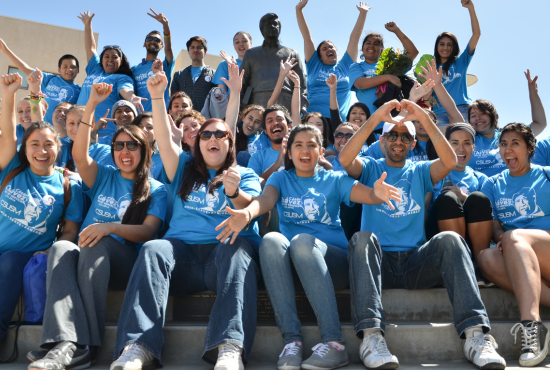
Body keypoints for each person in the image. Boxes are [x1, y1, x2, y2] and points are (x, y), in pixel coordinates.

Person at [111, 70, 262, 370]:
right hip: (182, 258)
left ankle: (229, 347)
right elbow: (165, 141)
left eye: (220, 135)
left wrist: (233, 193)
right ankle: (138, 347)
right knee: (153, 249)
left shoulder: (243, 174)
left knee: (238, 248)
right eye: (206, 134)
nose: (213, 138)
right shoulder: (181, 167)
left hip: (222, 257)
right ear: (197, 143)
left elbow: (251, 208)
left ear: (230, 144)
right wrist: (157, 96)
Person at [339, 99, 506, 370]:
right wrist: (377, 117)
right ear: (382, 140)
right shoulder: (370, 168)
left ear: (413, 144)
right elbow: (345, 158)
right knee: (361, 238)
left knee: (451, 240)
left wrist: (423, 117)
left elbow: (450, 160)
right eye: (392, 134)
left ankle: (475, 335)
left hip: (415, 263)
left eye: (405, 137)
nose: (398, 141)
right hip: (380, 263)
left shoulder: (419, 170)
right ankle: (371, 337)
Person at [226, 124, 400, 370]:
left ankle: (334, 342)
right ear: (289, 152)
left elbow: (368, 195)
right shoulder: (280, 178)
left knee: (302, 241)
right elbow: (265, 200)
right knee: (271, 240)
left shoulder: (334, 179)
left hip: (333, 265)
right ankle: (292, 341)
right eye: (298, 145)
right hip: (294, 269)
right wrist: (247, 212)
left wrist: (377, 194)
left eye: (311, 145)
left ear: (321, 152)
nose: (305, 150)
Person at [28, 82, 167, 370]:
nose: (125, 151)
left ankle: (87, 346)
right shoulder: (105, 175)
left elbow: (148, 232)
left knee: (94, 243)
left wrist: (110, 228)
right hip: (90, 256)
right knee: (62, 246)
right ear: (112, 149)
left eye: (133, 146)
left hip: (125, 263)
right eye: (119, 146)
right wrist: (90, 103)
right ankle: (64, 343)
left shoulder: (157, 189)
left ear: (145, 150)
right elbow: (80, 155)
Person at [0, 72, 83, 351]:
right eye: (34, 144)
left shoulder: (68, 183)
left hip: (22, 256)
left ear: (58, 148)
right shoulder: (11, 168)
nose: (42, 150)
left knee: (10, 261)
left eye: (49, 144)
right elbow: (10, 131)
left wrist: (52, 250)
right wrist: (10, 94)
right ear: (25, 148)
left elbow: (71, 230)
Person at [476, 123, 550, 367]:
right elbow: (496, 228)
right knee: (486, 257)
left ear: (530, 148)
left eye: (515, 143)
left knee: (515, 237)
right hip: (516, 252)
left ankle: (532, 326)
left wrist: (513, 239)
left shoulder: (547, 174)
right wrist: (503, 240)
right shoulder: (492, 183)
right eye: (503, 144)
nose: (507, 150)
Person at [296, 0, 371, 121]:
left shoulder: (346, 65)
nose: (329, 49)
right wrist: (299, 10)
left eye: (331, 47)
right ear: (319, 56)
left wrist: (363, 13)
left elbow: (355, 39)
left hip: (338, 121)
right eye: (324, 49)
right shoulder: (314, 65)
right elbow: (307, 37)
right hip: (313, 119)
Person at [425, 123, 492, 261]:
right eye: (455, 143)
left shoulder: (481, 178)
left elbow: (487, 214)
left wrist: (464, 198)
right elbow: (424, 210)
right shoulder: (431, 172)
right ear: (446, 146)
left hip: (472, 239)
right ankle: (457, 263)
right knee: (448, 199)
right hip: (439, 237)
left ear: (474, 147)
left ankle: (481, 264)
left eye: (467, 143)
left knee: (478, 198)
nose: (461, 148)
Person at [76, 11, 145, 136]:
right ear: (101, 60)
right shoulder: (95, 69)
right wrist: (87, 25)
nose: (110, 60)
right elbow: (91, 48)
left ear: (121, 60)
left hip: (103, 133)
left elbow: (125, 90)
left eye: (115, 57)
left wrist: (131, 97)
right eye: (106, 56)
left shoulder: (122, 78)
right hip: (79, 128)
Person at [469, 70, 546, 177]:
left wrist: (533, 92)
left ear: (493, 116)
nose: (478, 118)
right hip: (478, 192)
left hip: (508, 189)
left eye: (482, 113)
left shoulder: (508, 135)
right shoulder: (468, 139)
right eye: (473, 115)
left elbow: (540, 123)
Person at [348, 22, 419, 130]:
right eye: (368, 43)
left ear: (382, 49)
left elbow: (413, 52)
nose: (371, 46)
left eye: (376, 44)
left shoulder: (390, 64)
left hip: (392, 124)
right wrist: (389, 77)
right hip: (367, 125)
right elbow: (360, 84)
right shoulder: (356, 67)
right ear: (362, 48)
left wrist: (397, 30)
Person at [0, 38, 81, 124]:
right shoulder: (49, 78)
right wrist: (6, 50)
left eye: (73, 67)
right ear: (59, 70)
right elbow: (25, 68)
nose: (69, 69)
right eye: (65, 66)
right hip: (39, 125)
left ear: (78, 70)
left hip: (60, 132)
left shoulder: (79, 91)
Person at [240, 13, 307, 114]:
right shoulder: (251, 54)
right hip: (257, 102)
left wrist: (301, 108)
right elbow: (242, 83)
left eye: (275, 24)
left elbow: (302, 85)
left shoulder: (292, 53)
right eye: (268, 24)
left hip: (286, 102)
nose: (272, 26)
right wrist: (240, 108)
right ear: (262, 29)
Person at [431, 0, 480, 126]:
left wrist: (471, 9)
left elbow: (476, 35)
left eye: (449, 45)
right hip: (439, 113)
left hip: (462, 109)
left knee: (464, 144)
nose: (445, 48)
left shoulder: (461, 61)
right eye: (442, 44)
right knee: (442, 146)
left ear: (454, 47)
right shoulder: (432, 69)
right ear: (437, 47)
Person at [131, 9, 175, 112]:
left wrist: (165, 25)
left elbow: (169, 49)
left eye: (157, 40)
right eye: (149, 39)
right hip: (140, 118)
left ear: (162, 46)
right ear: (144, 44)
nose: (153, 41)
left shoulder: (164, 65)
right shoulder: (134, 69)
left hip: (161, 117)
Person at [57, 104, 114, 171]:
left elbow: (98, 180)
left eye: (81, 123)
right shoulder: (60, 147)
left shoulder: (103, 151)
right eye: (71, 123)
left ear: (92, 126)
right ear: (65, 125)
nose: (76, 129)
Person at [170, 36, 215, 112]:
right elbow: (173, 98)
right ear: (188, 51)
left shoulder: (214, 74)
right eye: (192, 47)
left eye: (199, 47)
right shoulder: (179, 74)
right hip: (183, 119)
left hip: (205, 119)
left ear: (205, 51)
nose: (195, 50)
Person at [132, 112, 163, 181]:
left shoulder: (163, 161)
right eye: (139, 127)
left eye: (149, 127)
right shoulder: (123, 156)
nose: (144, 130)